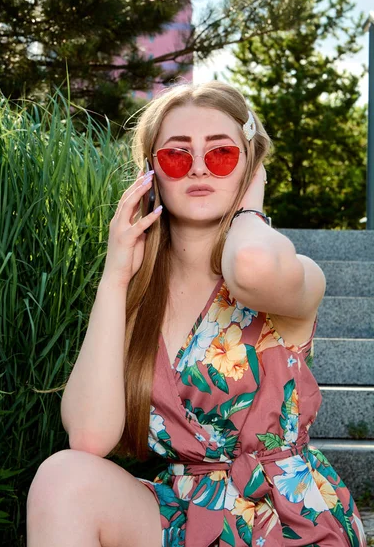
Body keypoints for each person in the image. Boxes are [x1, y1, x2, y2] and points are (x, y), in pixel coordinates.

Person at [27, 81, 366, 547]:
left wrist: (250, 207)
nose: (200, 168)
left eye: (223, 153)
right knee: (63, 478)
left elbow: (250, 265)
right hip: (188, 512)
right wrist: (114, 278)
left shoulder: (293, 277)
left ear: (250, 165)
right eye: (177, 155)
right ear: (152, 171)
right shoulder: (139, 301)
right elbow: (88, 438)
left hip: (285, 517)